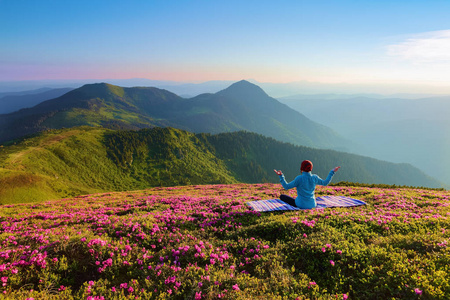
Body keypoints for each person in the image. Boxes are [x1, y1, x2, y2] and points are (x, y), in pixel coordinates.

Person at [274, 160, 340, 209]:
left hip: (300, 205)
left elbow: (286, 186)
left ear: (302, 168)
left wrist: (281, 176)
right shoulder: (315, 177)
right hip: (313, 205)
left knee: (282, 196)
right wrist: (332, 172)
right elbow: (325, 183)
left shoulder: (299, 178)